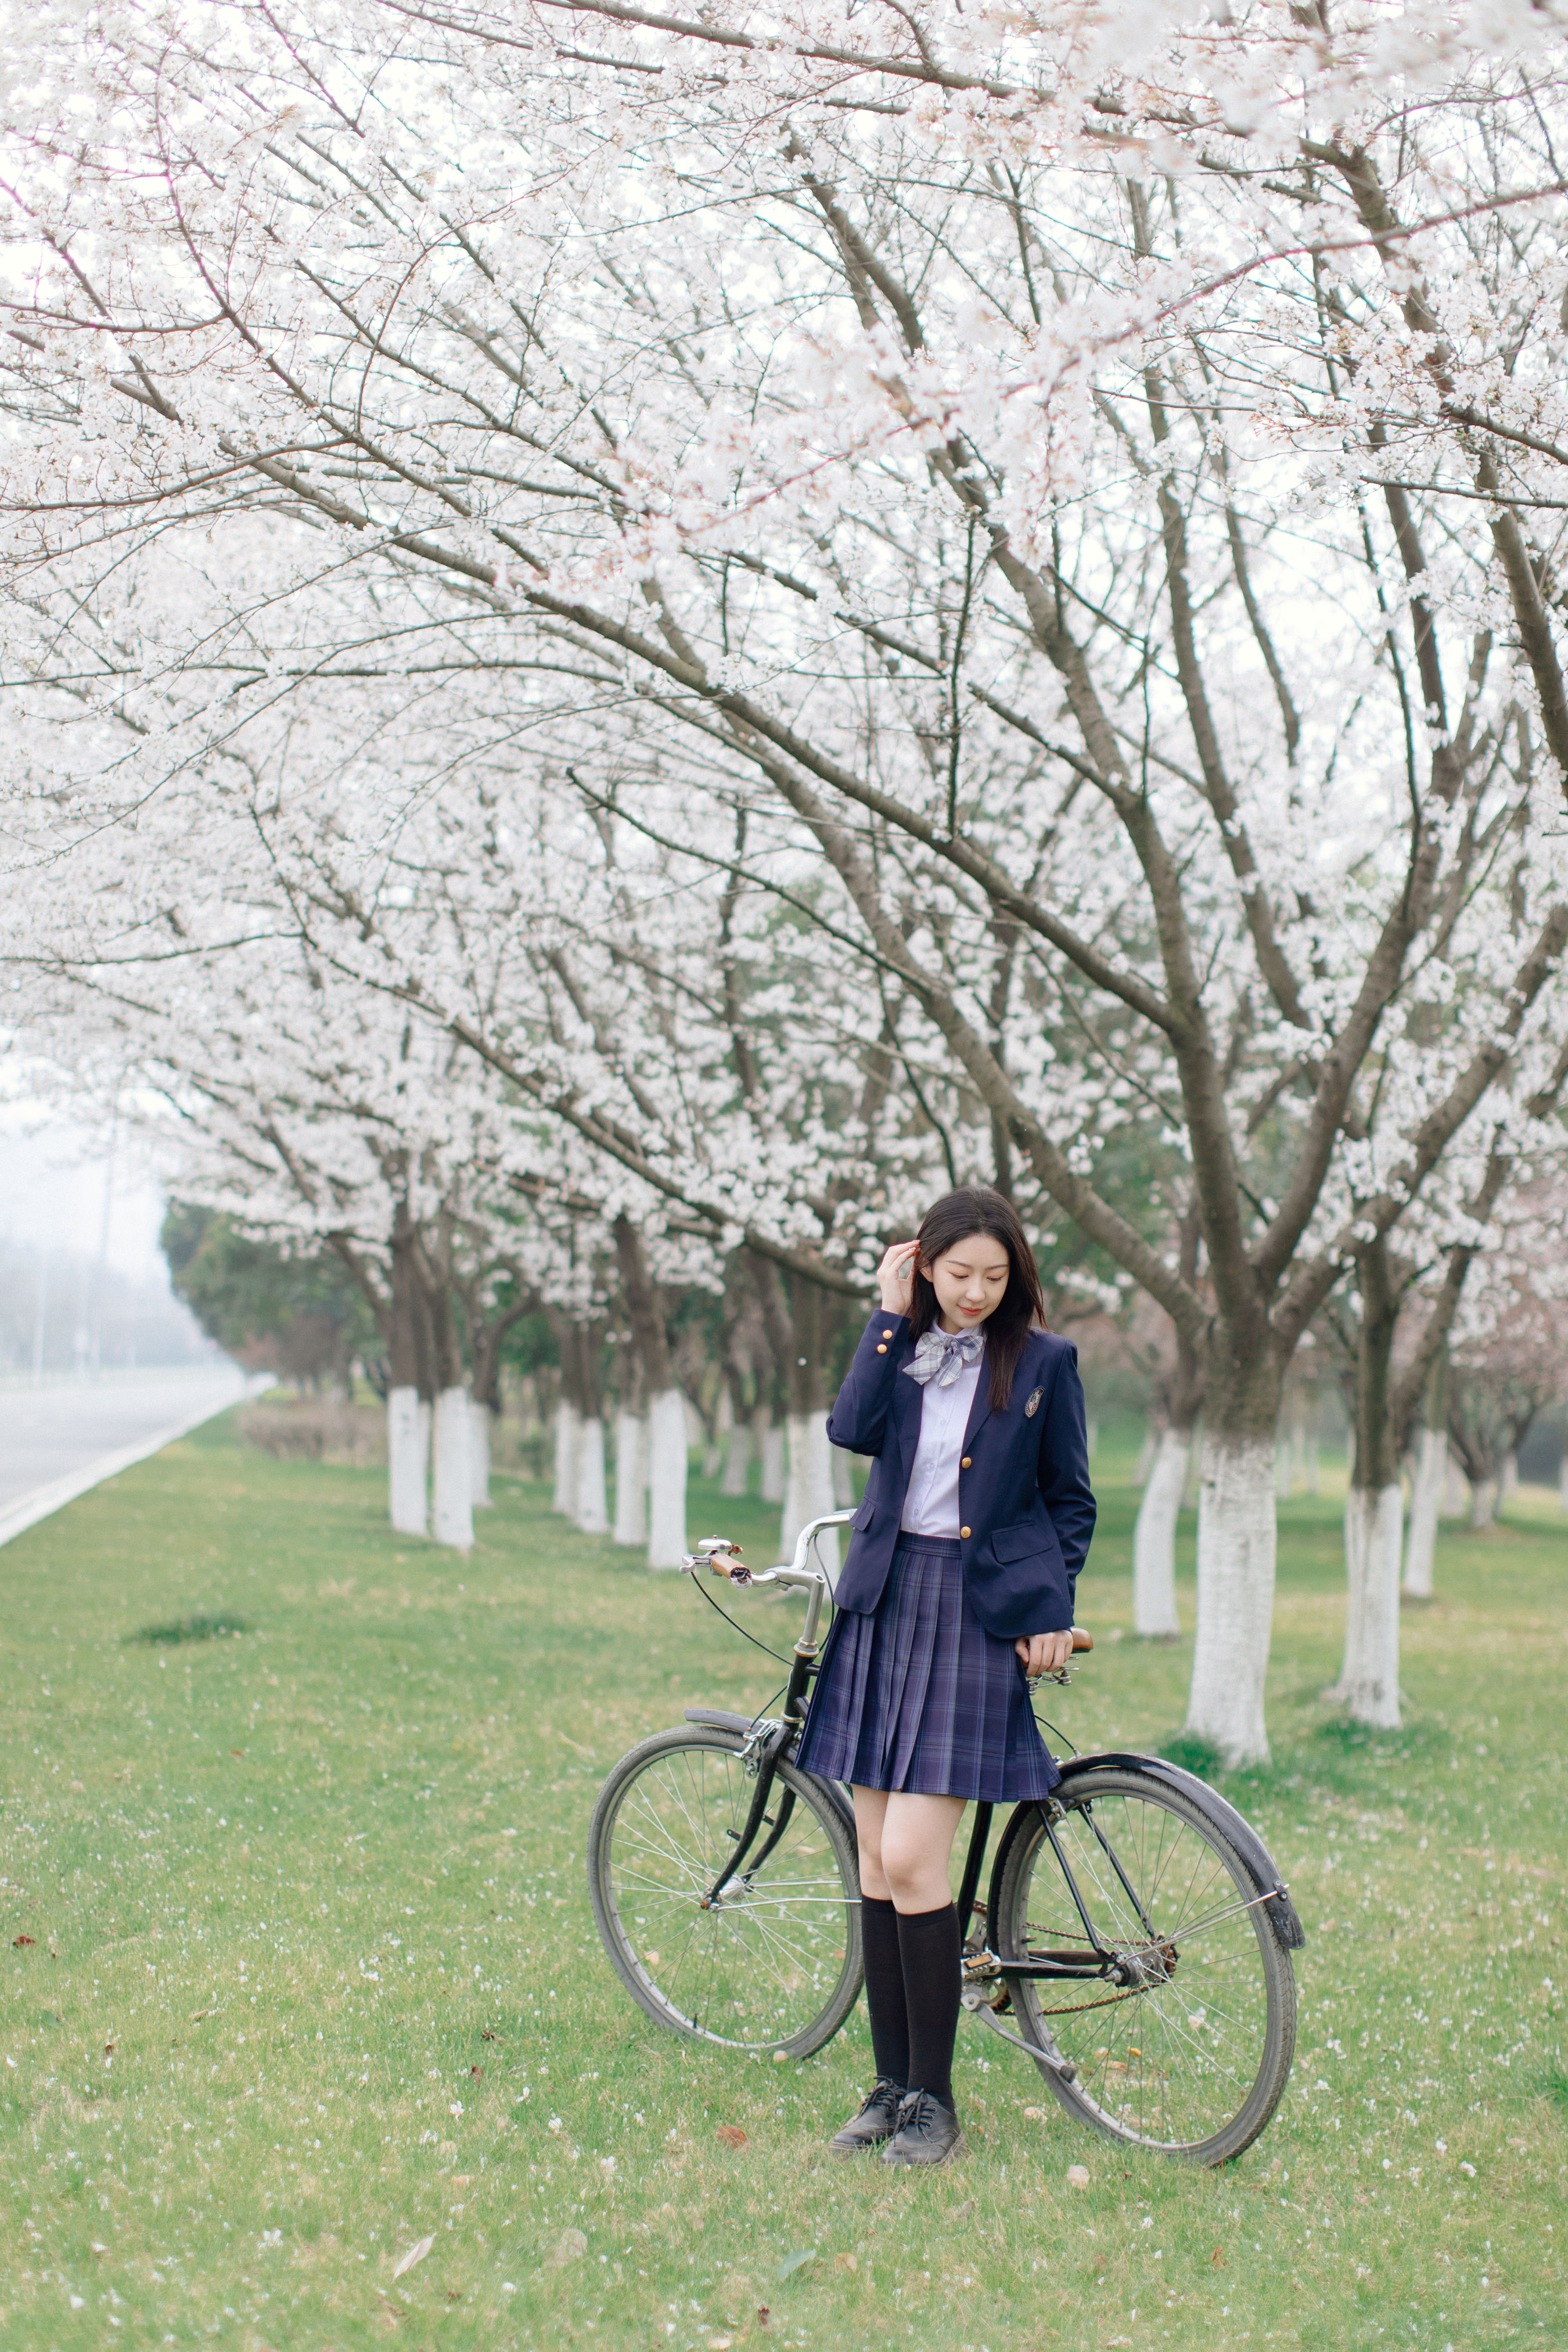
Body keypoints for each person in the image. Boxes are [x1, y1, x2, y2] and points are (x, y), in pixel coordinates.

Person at [796, 1185, 1096, 2168]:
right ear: (925, 1265)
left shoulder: (1047, 1364)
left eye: (994, 1276)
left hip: (976, 1618)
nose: (975, 1292)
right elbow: (849, 1427)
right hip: (884, 1605)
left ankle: (936, 2100)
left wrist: (1050, 1606)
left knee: (918, 1859)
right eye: (957, 1273)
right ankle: (890, 2086)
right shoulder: (904, 1348)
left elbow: (1069, 1503)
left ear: (1017, 1279)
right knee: (880, 1861)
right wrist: (889, 1316)